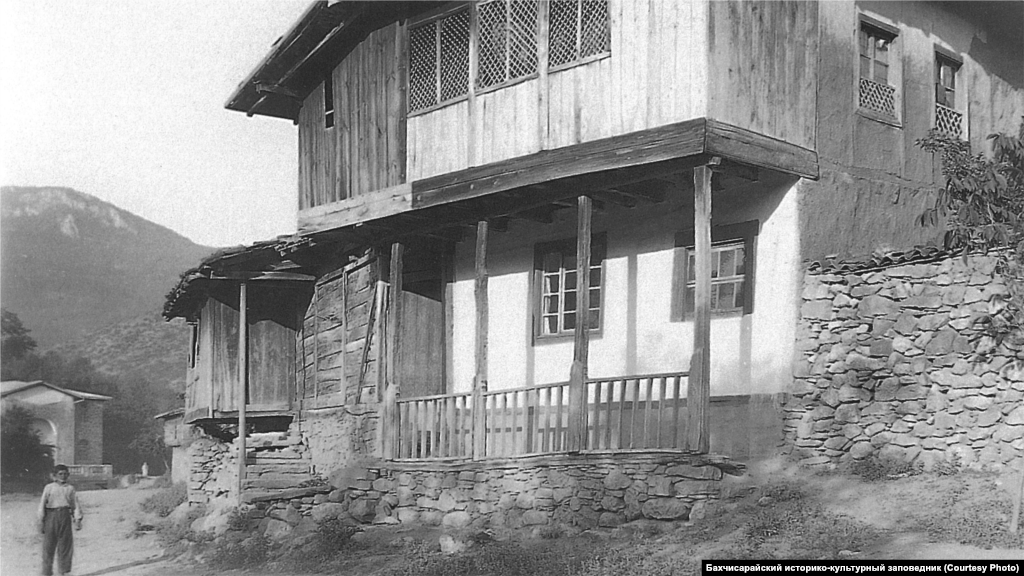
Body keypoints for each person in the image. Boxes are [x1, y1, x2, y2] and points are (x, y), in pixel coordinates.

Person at [37, 464, 83, 576]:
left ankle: (64, 571)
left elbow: (75, 505)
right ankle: (47, 572)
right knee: (49, 545)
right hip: (51, 516)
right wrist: (41, 521)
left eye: (65, 474)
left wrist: (77, 519)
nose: (63, 476)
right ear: (55, 476)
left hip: (65, 515)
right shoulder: (49, 487)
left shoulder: (70, 488)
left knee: (65, 544)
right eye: (60, 474)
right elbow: (42, 504)